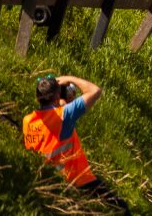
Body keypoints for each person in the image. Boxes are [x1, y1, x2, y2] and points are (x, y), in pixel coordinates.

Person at [23, 74, 129, 213]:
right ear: (57, 96)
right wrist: (70, 78)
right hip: (78, 180)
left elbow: (51, 114)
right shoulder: (64, 115)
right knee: (121, 208)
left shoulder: (28, 121)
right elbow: (95, 91)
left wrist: (62, 100)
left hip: (50, 179)